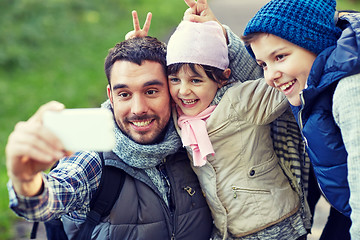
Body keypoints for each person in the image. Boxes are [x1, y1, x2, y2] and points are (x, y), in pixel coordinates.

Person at [6, 35, 214, 239]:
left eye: (151, 91)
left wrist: (216, 30)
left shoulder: (195, 140)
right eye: (124, 94)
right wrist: (25, 179)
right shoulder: (93, 159)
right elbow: (51, 197)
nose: (138, 109)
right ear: (111, 96)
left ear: (171, 90)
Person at [164, 17, 307, 239]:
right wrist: (139, 58)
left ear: (222, 78)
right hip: (229, 231)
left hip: (274, 224)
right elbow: (141, 100)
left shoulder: (240, 101)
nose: (183, 91)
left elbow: (279, 82)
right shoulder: (177, 115)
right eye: (174, 79)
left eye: (196, 81)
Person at [241, 0, 360, 238]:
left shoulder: (350, 91)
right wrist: (216, 30)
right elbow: (244, 77)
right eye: (264, 64)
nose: (270, 76)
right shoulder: (309, 84)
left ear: (315, 42)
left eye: (280, 57)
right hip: (344, 207)